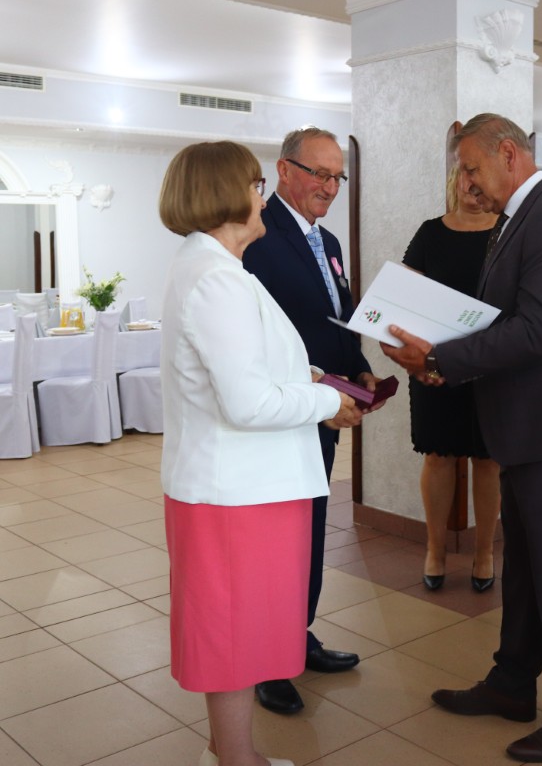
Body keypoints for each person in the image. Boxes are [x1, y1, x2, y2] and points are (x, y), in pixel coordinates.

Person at [382, 113, 542, 763]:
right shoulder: (519, 217)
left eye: (471, 167)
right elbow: (500, 319)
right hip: (528, 426)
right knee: (527, 568)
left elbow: (536, 331)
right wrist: (434, 352)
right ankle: (513, 684)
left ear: (509, 154)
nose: (465, 182)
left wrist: (441, 356)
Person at [158, 140, 363, 766]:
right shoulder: (216, 279)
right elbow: (245, 403)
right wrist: (327, 401)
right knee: (231, 636)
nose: (261, 199)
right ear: (225, 193)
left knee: (238, 632)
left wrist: (311, 377)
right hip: (237, 491)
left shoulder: (217, 267)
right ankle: (237, 758)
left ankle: (228, 751)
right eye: (254, 186)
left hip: (243, 486)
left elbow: (249, 366)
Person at [243, 127, 381, 715]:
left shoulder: (328, 241)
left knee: (312, 526)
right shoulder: (256, 235)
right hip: (283, 411)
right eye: (319, 174)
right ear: (284, 170)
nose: (329, 186)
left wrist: (360, 367)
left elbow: (337, 315)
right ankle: (264, 659)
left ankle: (297, 635)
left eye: (336, 177)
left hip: (324, 411)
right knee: (276, 540)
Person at [403, 165, 501, 592]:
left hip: (491, 362)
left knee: (488, 459)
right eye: (467, 175)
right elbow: (405, 296)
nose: (473, 185)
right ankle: (435, 550)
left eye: (481, 176)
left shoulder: (508, 232)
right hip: (435, 363)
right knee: (438, 456)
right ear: (455, 180)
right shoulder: (430, 233)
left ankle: (484, 553)